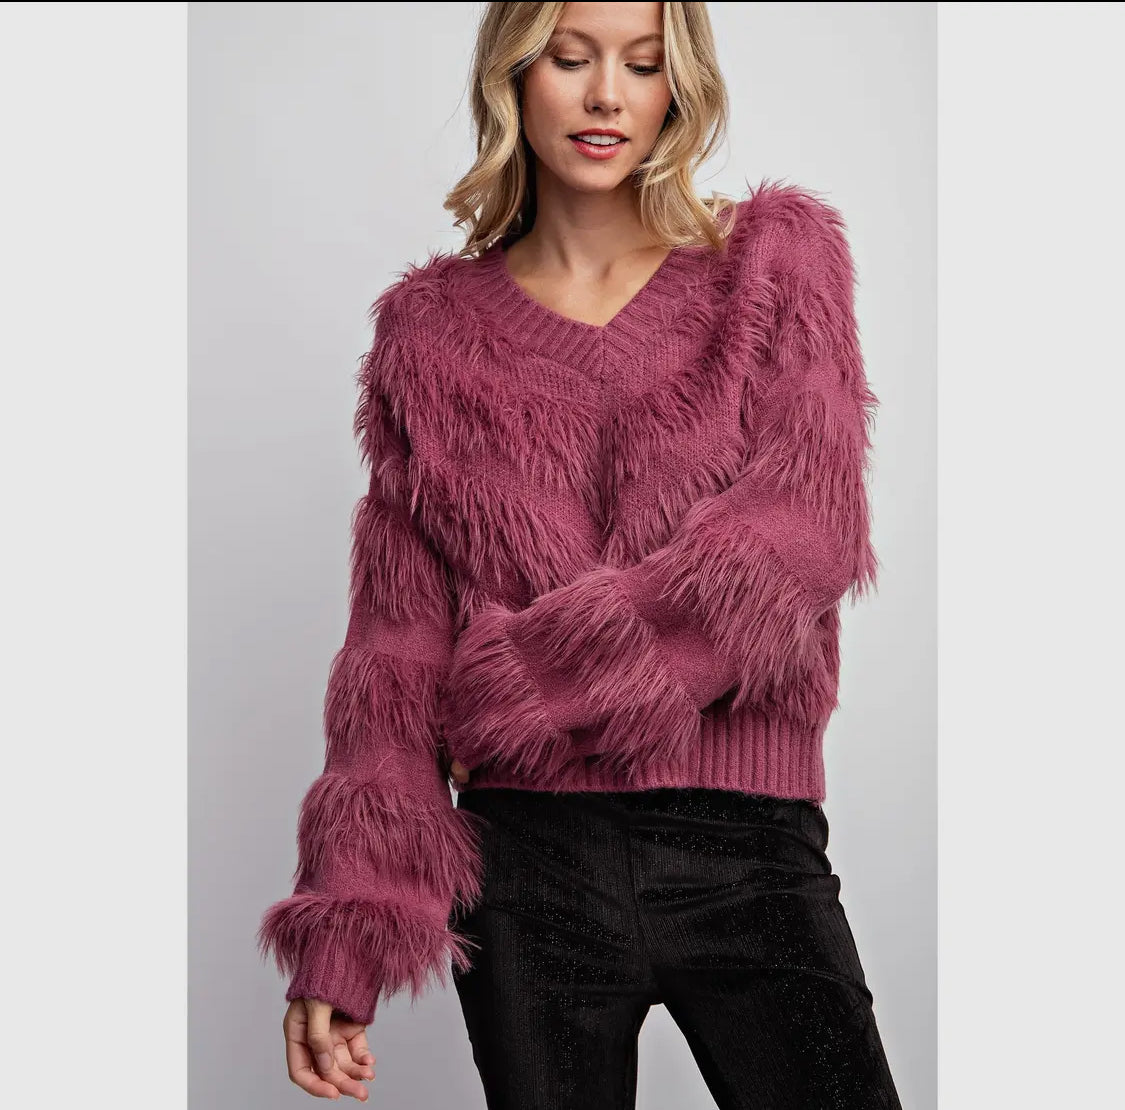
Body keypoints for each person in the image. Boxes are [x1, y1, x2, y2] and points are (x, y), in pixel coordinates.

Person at [257, 2, 903, 1107]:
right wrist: (348, 936)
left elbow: (803, 530)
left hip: (744, 845)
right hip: (527, 869)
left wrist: (519, 691)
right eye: (570, 57)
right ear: (514, 74)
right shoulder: (429, 332)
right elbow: (396, 650)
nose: (607, 94)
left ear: (676, 87)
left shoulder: (771, 261)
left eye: (643, 64)